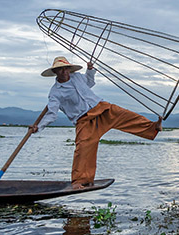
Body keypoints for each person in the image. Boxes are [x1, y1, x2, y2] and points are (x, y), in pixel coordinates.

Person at [31, 56, 162, 188]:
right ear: (55, 72)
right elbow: (52, 114)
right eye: (61, 70)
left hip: (100, 108)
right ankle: (79, 181)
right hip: (84, 120)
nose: (64, 72)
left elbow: (89, 83)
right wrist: (39, 126)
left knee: (124, 115)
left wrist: (90, 70)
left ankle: (152, 127)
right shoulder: (55, 93)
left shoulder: (76, 77)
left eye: (66, 68)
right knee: (83, 148)